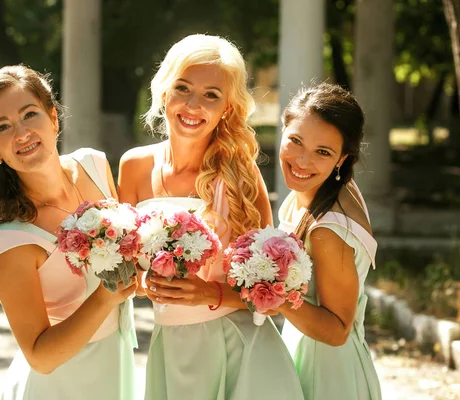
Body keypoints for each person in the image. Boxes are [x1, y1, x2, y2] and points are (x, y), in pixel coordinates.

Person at [118, 34, 303, 400]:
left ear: (228, 109)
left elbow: (273, 288)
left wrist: (208, 292)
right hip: (169, 344)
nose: (192, 105)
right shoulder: (134, 166)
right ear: (164, 92)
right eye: (182, 88)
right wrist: (146, 281)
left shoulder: (240, 174)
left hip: (234, 347)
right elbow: (128, 271)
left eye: (211, 95)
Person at [0, 65, 137, 399]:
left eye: (30, 114)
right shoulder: (11, 238)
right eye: (3, 127)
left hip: (115, 367)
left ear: (54, 118)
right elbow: (40, 358)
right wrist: (105, 297)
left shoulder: (95, 165)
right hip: (57, 386)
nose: (21, 133)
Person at [270, 82, 382, 399]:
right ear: (283, 131)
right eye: (295, 141)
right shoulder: (324, 191)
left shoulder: (326, 231)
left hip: (328, 374)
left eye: (323, 152)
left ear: (341, 159)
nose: (302, 161)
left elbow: (336, 330)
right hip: (306, 349)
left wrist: (270, 293)